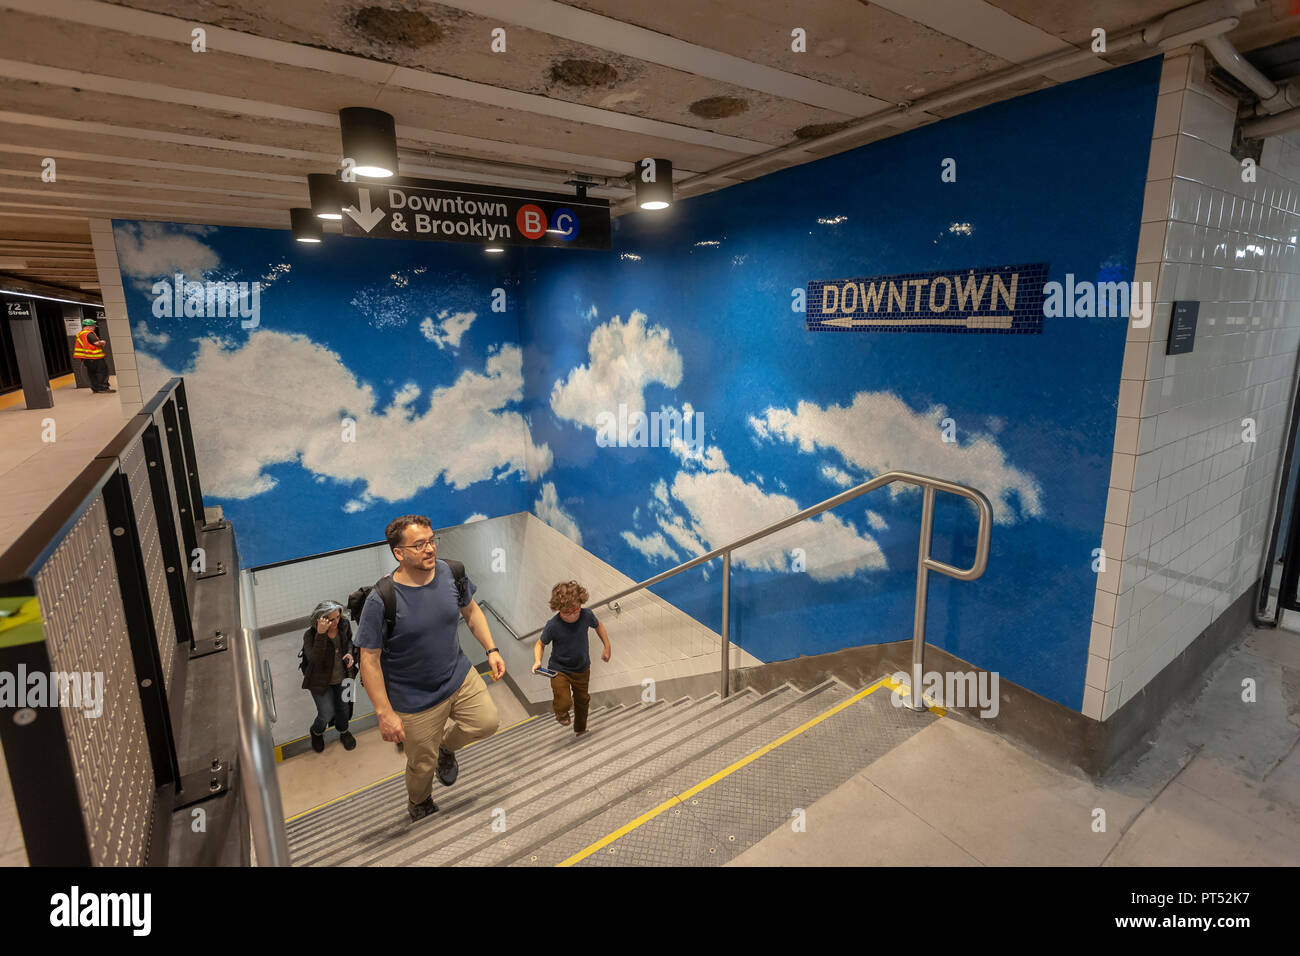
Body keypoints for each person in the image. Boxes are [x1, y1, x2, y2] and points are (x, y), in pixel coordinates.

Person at [356, 515, 503, 823]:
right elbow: (368, 659)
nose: (429, 549)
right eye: (419, 544)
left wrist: (491, 649)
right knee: (422, 763)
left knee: (487, 722)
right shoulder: (381, 600)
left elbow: (471, 610)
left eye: (431, 540)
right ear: (399, 553)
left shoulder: (452, 572)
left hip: (458, 675)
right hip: (414, 699)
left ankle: (447, 749)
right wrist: (385, 713)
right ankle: (419, 802)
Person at [532, 581, 611, 735]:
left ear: (580, 604)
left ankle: (581, 729)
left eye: (576, 610)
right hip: (559, 669)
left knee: (583, 701)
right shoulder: (553, 625)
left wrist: (607, 646)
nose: (573, 615)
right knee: (564, 701)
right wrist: (537, 661)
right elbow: (539, 644)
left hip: (582, 668)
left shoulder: (586, 614)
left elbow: (598, 625)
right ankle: (560, 713)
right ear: (558, 609)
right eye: (567, 612)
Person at [299, 601, 357, 753]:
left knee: (345, 709)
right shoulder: (310, 635)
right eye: (330, 619)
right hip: (320, 681)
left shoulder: (343, 625)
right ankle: (316, 732)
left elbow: (349, 642)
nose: (335, 622)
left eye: (337, 617)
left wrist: (350, 653)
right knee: (326, 713)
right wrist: (321, 634)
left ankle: (344, 731)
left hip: (345, 677)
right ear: (320, 619)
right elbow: (314, 660)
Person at [72, 317, 114, 393]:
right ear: (88, 326)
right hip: (95, 357)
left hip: (87, 359)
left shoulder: (80, 334)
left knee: (92, 373)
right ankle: (103, 388)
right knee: (102, 372)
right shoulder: (89, 334)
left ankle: (96, 388)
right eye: (93, 326)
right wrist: (103, 342)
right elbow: (96, 343)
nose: (94, 328)